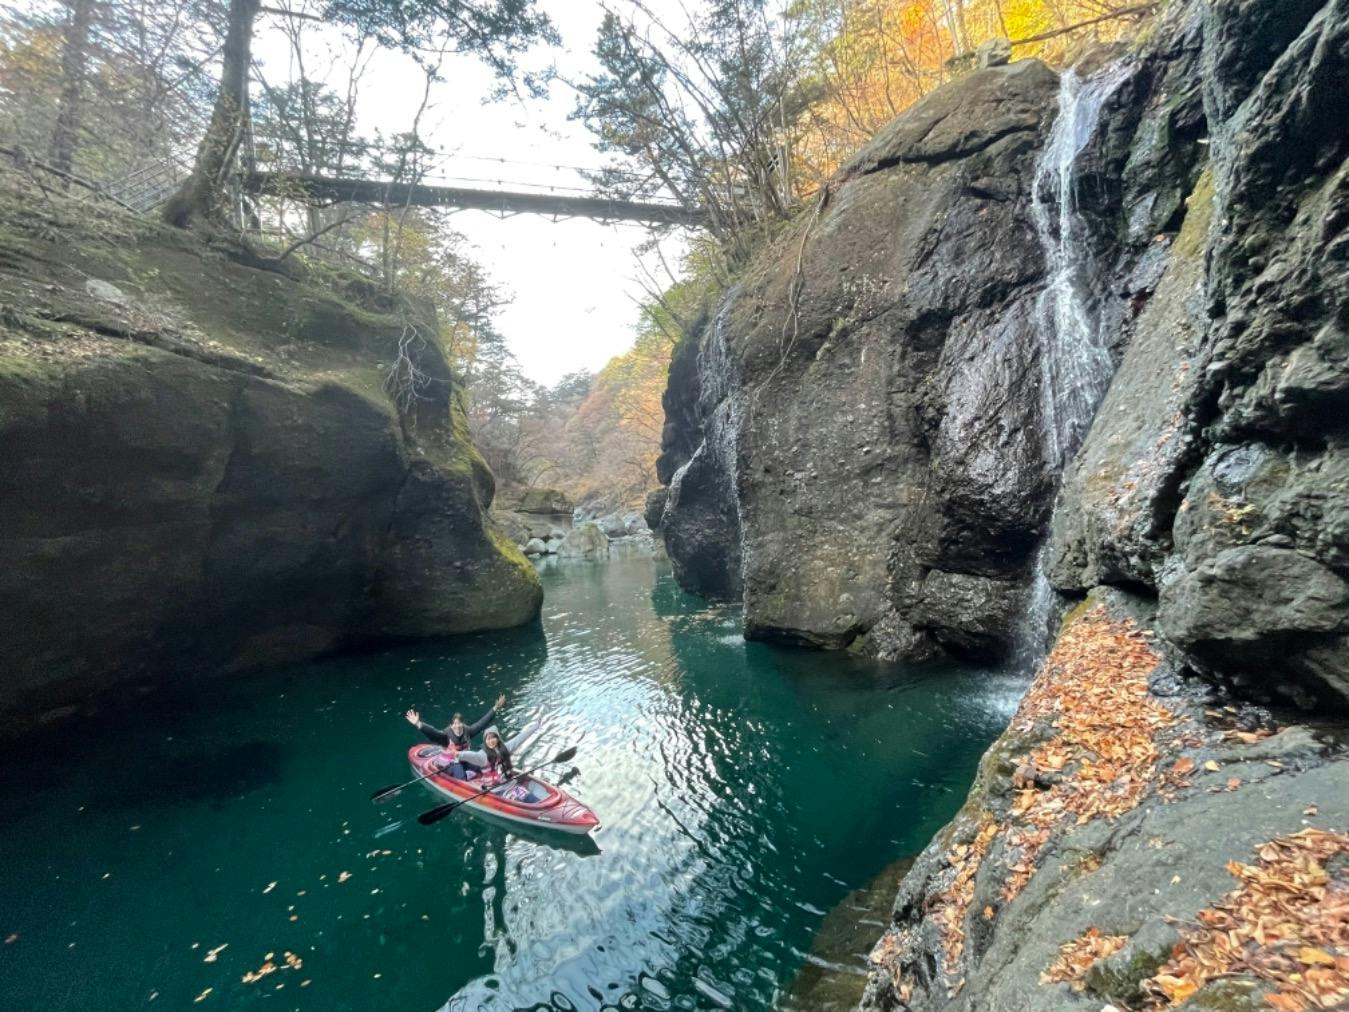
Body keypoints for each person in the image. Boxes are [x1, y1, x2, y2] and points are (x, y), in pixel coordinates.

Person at [404, 694, 505, 779]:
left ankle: (486, 780)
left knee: (483, 764)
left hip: (465, 758)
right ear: (451, 725)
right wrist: (418, 723)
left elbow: (482, 723)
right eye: (455, 724)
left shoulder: (467, 731)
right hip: (450, 763)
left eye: (459, 723)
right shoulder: (445, 736)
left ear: (462, 723)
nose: (457, 726)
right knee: (461, 777)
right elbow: (432, 732)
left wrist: (495, 708)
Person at [457, 720, 543, 790]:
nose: (491, 741)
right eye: (488, 738)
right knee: (526, 796)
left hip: (510, 783)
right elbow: (467, 755)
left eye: (493, 737)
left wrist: (536, 726)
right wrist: (455, 754)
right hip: (494, 789)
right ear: (485, 741)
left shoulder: (506, 748)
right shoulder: (482, 756)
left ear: (498, 738)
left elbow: (520, 738)